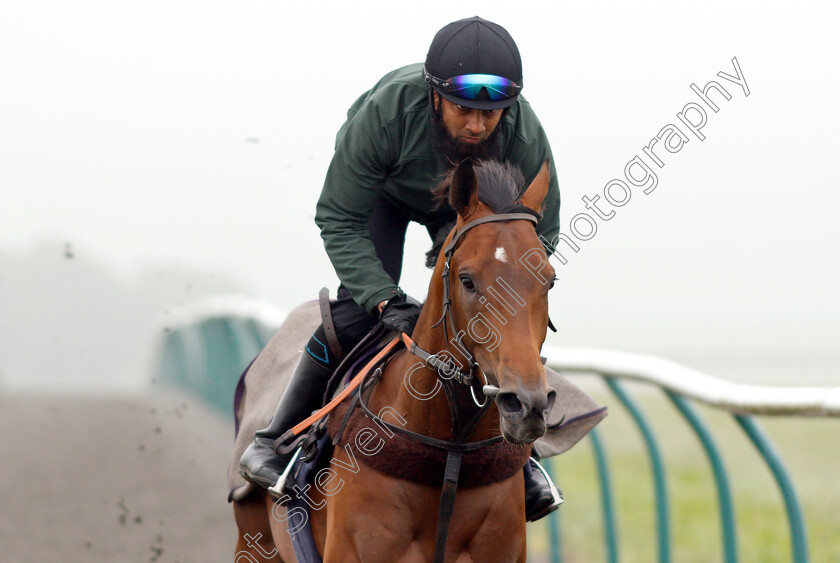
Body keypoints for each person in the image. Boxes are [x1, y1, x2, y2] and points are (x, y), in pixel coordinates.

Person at [240, 16, 563, 522]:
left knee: (498, 321)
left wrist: (506, 295)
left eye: (492, 113)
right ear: (435, 96)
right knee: (354, 315)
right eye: (464, 110)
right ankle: (277, 440)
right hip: (382, 200)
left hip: (470, 209)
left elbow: (537, 237)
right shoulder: (386, 114)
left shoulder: (524, 134)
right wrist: (383, 297)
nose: (478, 126)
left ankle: (525, 462)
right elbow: (339, 217)